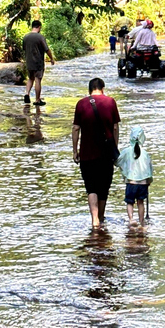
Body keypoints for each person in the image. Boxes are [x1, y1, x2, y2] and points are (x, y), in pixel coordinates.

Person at [72, 77, 121, 228]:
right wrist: (115, 148)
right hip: (106, 154)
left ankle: (94, 220)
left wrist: (75, 150)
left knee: (91, 187)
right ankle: (101, 216)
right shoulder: (110, 102)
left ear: (89, 90)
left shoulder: (81, 104)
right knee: (103, 187)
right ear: (103, 88)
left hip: (87, 153)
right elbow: (115, 127)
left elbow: (75, 129)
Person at [116, 126, 153, 226]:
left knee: (130, 202)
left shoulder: (126, 151)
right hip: (143, 183)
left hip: (131, 182)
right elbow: (150, 169)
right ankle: (141, 221)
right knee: (140, 202)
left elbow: (118, 161)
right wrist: (149, 181)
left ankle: (131, 219)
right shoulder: (145, 153)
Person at [22, 19, 55, 106]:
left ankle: (27, 94)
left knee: (30, 78)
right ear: (39, 27)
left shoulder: (26, 37)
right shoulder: (40, 37)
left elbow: (24, 49)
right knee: (37, 80)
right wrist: (51, 58)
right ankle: (37, 100)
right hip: (38, 62)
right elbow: (47, 49)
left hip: (29, 62)